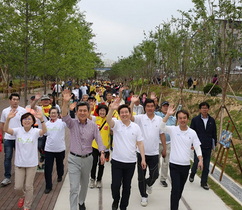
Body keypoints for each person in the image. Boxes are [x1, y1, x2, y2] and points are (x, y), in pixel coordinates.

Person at [61, 89, 106, 210]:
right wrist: (65, 103)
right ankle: (73, 208)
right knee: (74, 187)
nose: (82, 112)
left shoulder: (93, 125)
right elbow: (64, 116)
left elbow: (99, 139)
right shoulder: (72, 123)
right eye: (80, 110)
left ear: (88, 111)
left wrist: (102, 152)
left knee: (85, 185)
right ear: (76, 112)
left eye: (84, 110)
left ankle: (81, 202)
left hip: (88, 159)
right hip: (73, 159)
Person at [106, 98, 146, 210]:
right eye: (121, 112)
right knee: (115, 185)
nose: (124, 114)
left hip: (130, 162)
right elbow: (109, 121)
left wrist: (143, 159)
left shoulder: (136, 127)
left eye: (126, 112)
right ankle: (116, 200)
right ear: (119, 114)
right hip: (117, 161)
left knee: (127, 187)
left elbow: (140, 143)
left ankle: (123, 206)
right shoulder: (117, 124)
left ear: (130, 113)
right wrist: (111, 109)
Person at [160, 107, 203, 210]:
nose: (182, 120)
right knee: (175, 189)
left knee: (179, 190)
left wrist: (200, 160)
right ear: (177, 119)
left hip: (185, 166)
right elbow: (162, 127)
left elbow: (197, 146)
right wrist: (167, 115)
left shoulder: (192, 133)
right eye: (180, 118)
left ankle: (174, 204)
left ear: (187, 119)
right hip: (174, 165)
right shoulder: (173, 130)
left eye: (184, 118)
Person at [3, 110, 47, 210]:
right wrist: (8, 119)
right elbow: (6, 129)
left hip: (31, 164)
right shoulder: (18, 131)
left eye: (29, 119)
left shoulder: (35, 132)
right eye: (24, 119)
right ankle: (22, 196)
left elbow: (44, 131)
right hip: (19, 163)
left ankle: (27, 206)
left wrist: (41, 120)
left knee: (28, 186)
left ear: (32, 122)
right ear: (22, 121)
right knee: (18, 187)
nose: (26, 121)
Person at [130, 96, 166, 207]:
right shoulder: (140, 118)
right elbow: (130, 117)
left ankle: (148, 183)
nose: (150, 108)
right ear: (145, 107)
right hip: (141, 153)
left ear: (155, 107)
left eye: (152, 106)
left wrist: (164, 148)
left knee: (155, 174)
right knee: (141, 175)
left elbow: (162, 134)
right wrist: (131, 103)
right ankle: (143, 196)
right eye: (148, 106)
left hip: (154, 152)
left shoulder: (159, 119)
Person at [189, 102, 217, 190]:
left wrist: (214, 144)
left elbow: (214, 133)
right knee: (196, 162)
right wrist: (192, 143)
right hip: (198, 146)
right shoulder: (195, 119)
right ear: (200, 109)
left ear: (208, 109)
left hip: (208, 146)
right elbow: (191, 132)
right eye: (203, 108)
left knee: (206, 165)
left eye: (206, 108)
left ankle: (204, 182)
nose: (204, 109)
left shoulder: (212, 120)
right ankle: (193, 173)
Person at [0, 93, 27, 186]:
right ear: (10, 100)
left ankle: (22, 175)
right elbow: (2, 124)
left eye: (17, 99)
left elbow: (27, 123)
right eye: (14, 99)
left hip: (19, 138)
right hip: (8, 138)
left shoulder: (23, 110)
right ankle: (7, 177)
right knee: (8, 157)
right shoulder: (5, 111)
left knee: (21, 156)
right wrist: (2, 136)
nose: (15, 101)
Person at [44, 107, 66, 194]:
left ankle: (60, 175)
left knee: (60, 165)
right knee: (48, 168)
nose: (53, 114)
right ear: (49, 114)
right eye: (52, 113)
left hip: (60, 149)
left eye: (55, 113)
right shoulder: (46, 124)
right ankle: (48, 186)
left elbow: (68, 121)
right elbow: (45, 134)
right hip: (49, 149)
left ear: (58, 114)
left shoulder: (62, 122)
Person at [155, 101, 176, 187]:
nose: (166, 108)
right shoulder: (158, 115)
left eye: (167, 106)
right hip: (157, 142)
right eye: (164, 106)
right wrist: (154, 101)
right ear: (161, 107)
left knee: (166, 162)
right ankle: (155, 175)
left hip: (168, 143)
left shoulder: (173, 119)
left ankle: (163, 179)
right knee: (157, 162)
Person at [89, 104, 110, 188]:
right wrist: (90, 108)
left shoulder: (109, 120)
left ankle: (99, 180)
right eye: (100, 110)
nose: (102, 112)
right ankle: (92, 179)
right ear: (98, 111)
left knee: (101, 164)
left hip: (104, 147)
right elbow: (87, 116)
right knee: (93, 163)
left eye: (104, 110)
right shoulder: (95, 119)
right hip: (94, 146)